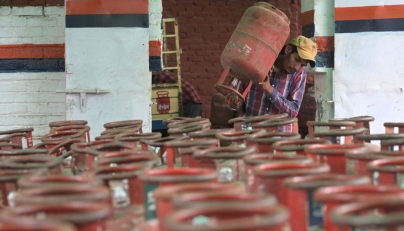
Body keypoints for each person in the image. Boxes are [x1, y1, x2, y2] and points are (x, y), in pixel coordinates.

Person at [224, 35, 318, 132]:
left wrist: (270, 90)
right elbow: (237, 98)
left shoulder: (299, 73)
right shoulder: (258, 62)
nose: (297, 67)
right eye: (297, 60)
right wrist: (234, 102)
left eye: (302, 65)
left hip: (280, 136)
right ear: (288, 50)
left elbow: (293, 110)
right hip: (250, 131)